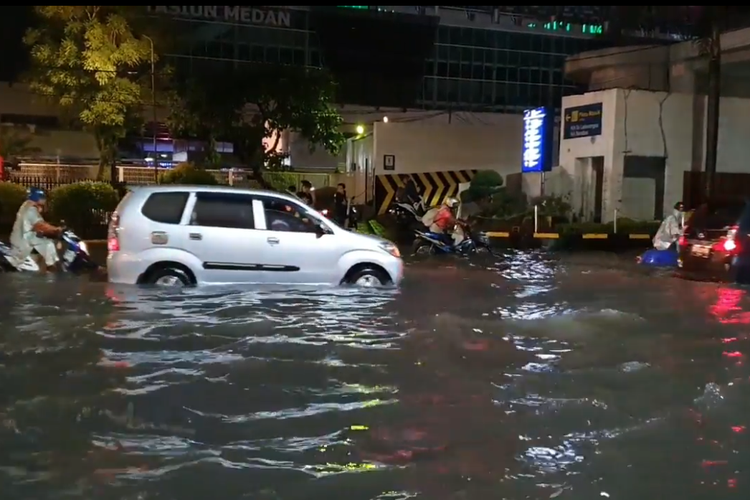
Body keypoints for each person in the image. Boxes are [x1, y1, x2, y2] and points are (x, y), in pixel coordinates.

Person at [6, 187, 63, 272]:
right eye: (43, 197)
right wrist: (56, 229)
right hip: (22, 240)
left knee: (47, 244)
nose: (45, 200)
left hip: (27, 237)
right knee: (16, 266)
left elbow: (37, 226)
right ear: (38, 197)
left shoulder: (28, 206)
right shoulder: (31, 209)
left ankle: (51, 267)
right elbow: (39, 225)